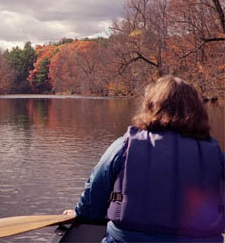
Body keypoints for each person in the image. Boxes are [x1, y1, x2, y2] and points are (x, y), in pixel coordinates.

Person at [64, 75, 225, 242]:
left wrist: (81, 214)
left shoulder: (124, 146)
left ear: (150, 107)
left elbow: (94, 194)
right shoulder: (215, 155)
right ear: (197, 111)